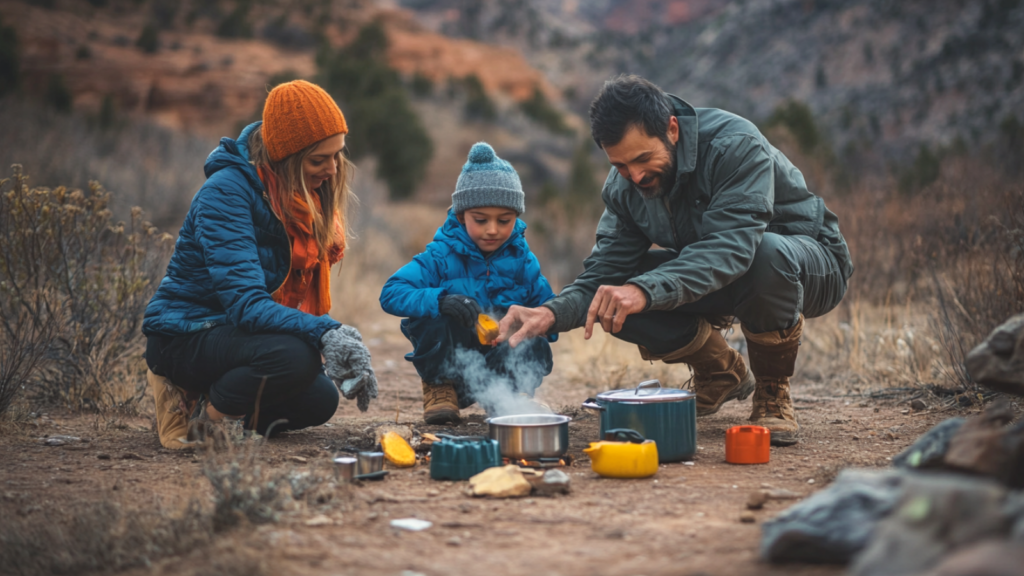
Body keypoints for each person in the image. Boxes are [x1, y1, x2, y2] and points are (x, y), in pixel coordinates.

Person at [497, 75, 853, 446]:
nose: (635, 176)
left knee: (765, 253)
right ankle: (719, 373)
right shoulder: (625, 189)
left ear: (671, 129)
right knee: (613, 293)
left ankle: (772, 390)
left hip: (808, 266)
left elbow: (731, 248)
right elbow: (603, 274)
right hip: (721, 276)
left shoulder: (734, 145)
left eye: (642, 159)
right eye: (620, 166)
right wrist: (550, 313)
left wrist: (644, 290)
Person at [143, 80, 377, 449]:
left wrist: (329, 338)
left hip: (235, 337)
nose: (332, 169)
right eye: (319, 160)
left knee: (320, 399)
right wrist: (325, 331)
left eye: (337, 155)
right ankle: (208, 421)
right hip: (186, 334)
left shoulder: (304, 197)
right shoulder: (225, 193)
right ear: (287, 157)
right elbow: (246, 305)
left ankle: (208, 399)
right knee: (295, 358)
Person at [380, 143, 557, 424]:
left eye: (504, 220)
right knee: (433, 316)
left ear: (517, 217)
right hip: (453, 368)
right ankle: (439, 389)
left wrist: (533, 322)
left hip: (500, 368)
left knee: (533, 339)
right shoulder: (439, 255)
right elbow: (391, 293)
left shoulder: (524, 260)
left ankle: (512, 397)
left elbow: (550, 311)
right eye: (480, 219)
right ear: (461, 216)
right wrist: (441, 300)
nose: (492, 229)